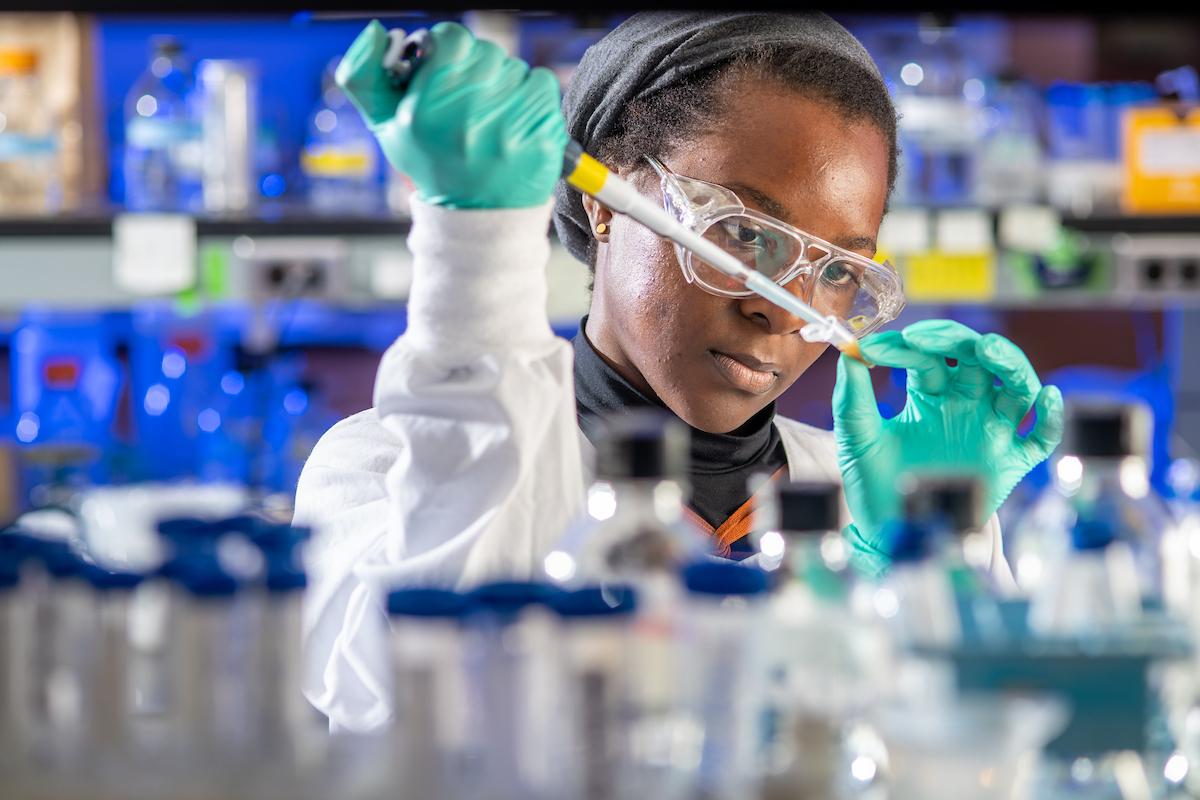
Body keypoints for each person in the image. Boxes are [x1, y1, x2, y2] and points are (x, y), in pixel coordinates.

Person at [294, 12, 1063, 732]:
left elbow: (967, 755)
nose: (786, 312)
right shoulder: (386, 465)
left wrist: (929, 563)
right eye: (740, 235)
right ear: (608, 200)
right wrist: (478, 249)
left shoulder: (859, 495)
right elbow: (404, 709)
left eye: (835, 271)